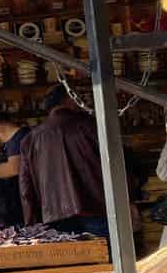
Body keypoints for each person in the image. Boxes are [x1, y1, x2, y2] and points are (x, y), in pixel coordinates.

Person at [18, 85, 108, 236]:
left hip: (54, 215)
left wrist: (31, 222)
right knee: (108, 258)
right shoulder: (90, 125)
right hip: (96, 208)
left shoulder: (31, 139)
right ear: (68, 100)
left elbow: (25, 187)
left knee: (70, 258)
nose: (80, 102)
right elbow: (117, 163)